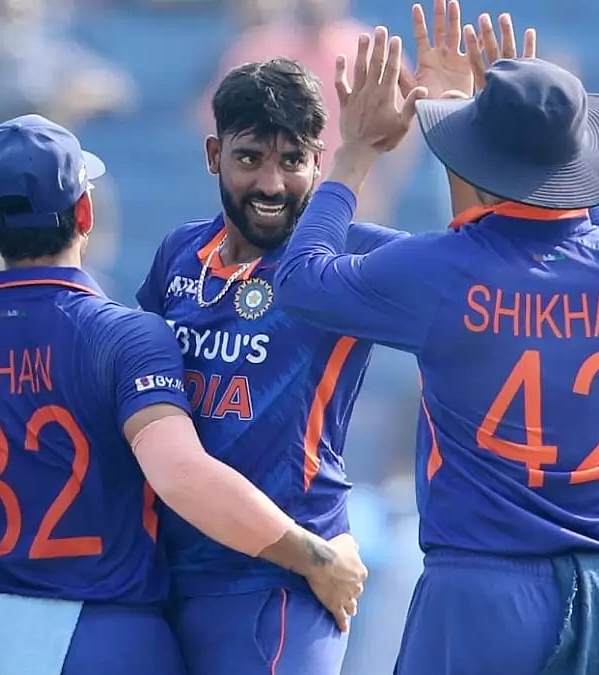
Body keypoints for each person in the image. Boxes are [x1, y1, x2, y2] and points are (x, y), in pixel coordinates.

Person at [0, 114, 364, 675]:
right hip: (111, 635)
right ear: (85, 213)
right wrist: (315, 556)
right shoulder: (127, 337)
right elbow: (181, 475)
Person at [272, 21, 599, 675]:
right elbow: (562, 213)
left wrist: (356, 152)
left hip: (481, 591)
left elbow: (300, 279)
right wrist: (516, 124)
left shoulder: (440, 277)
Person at [136, 55, 395, 674]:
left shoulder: (349, 258)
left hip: (284, 586)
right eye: (250, 158)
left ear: (319, 162)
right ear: (213, 155)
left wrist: (461, 121)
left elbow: (469, 271)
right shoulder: (180, 252)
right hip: (166, 581)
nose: (272, 185)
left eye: (292, 161)